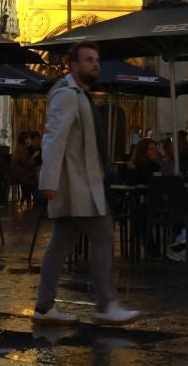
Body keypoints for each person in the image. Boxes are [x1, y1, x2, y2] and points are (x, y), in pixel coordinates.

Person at [33, 42, 138, 326]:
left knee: (60, 245)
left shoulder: (80, 95)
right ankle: (104, 304)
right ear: (73, 65)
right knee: (104, 236)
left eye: (97, 60)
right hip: (78, 185)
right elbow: (53, 138)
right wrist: (48, 182)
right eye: (89, 60)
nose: (95, 65)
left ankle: (44, 307)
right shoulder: (67, 95)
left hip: (79, 184)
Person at [9, 130, 40, 205]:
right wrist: (34, 158)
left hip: (18, 173)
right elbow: (26, 164)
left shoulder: (19, 148)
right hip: (22, 174)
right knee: (37, 181)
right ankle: (38, 202)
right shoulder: (23, 149)